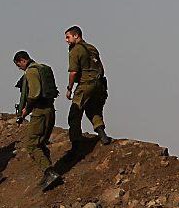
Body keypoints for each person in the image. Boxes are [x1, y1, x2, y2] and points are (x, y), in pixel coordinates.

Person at [13, 51, 61, 190]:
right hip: (50, 110)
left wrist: (26, 110)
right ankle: (49, 173)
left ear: (22, 60)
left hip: (39, 112)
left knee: (32, 145)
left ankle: (50, 172)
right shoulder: (42, 68)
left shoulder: (31, 72)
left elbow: (34, 94)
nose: (19, 68)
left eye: (18, 65)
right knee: (41, 143)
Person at [64, 25, 111, 149]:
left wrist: (69, 88)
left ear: (76, 35)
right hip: (99, 84)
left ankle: (76, 143)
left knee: (75, 113)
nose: (66, 40)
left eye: (68, 37)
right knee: (93, 110)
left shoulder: (75, 50)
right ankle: (102, 135)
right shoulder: (92, 48)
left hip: (85, 85)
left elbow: (73, 72)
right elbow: (101, 68)